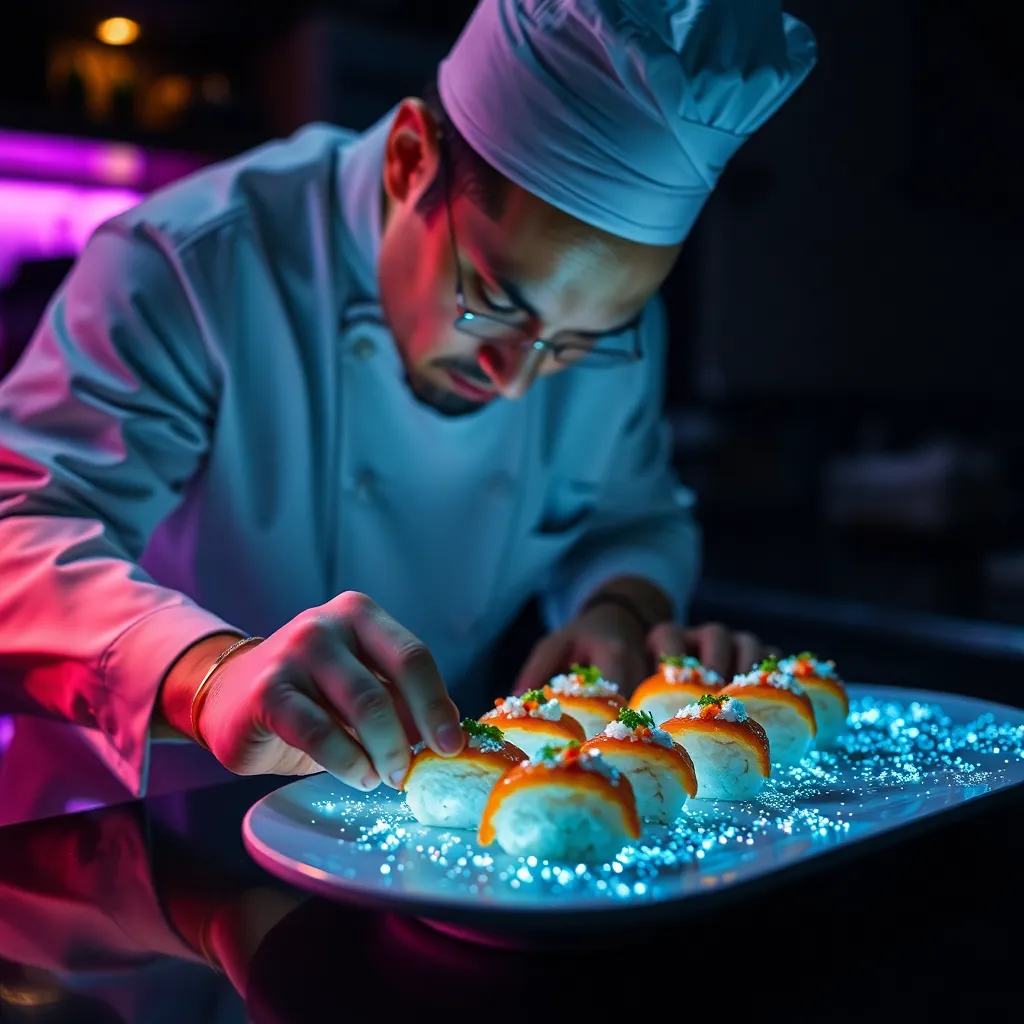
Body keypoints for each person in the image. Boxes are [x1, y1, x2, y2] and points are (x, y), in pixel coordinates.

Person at [0, 1, 816, 798]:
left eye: (579, 342)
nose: (519, 378)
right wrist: (212, 674)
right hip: (129, 844)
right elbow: (17, 535)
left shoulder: (605, 323)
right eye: (493, 304)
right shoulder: (191, 266)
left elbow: (631, 517)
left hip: (428, 834)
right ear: (407, 160)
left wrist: (618, 606)